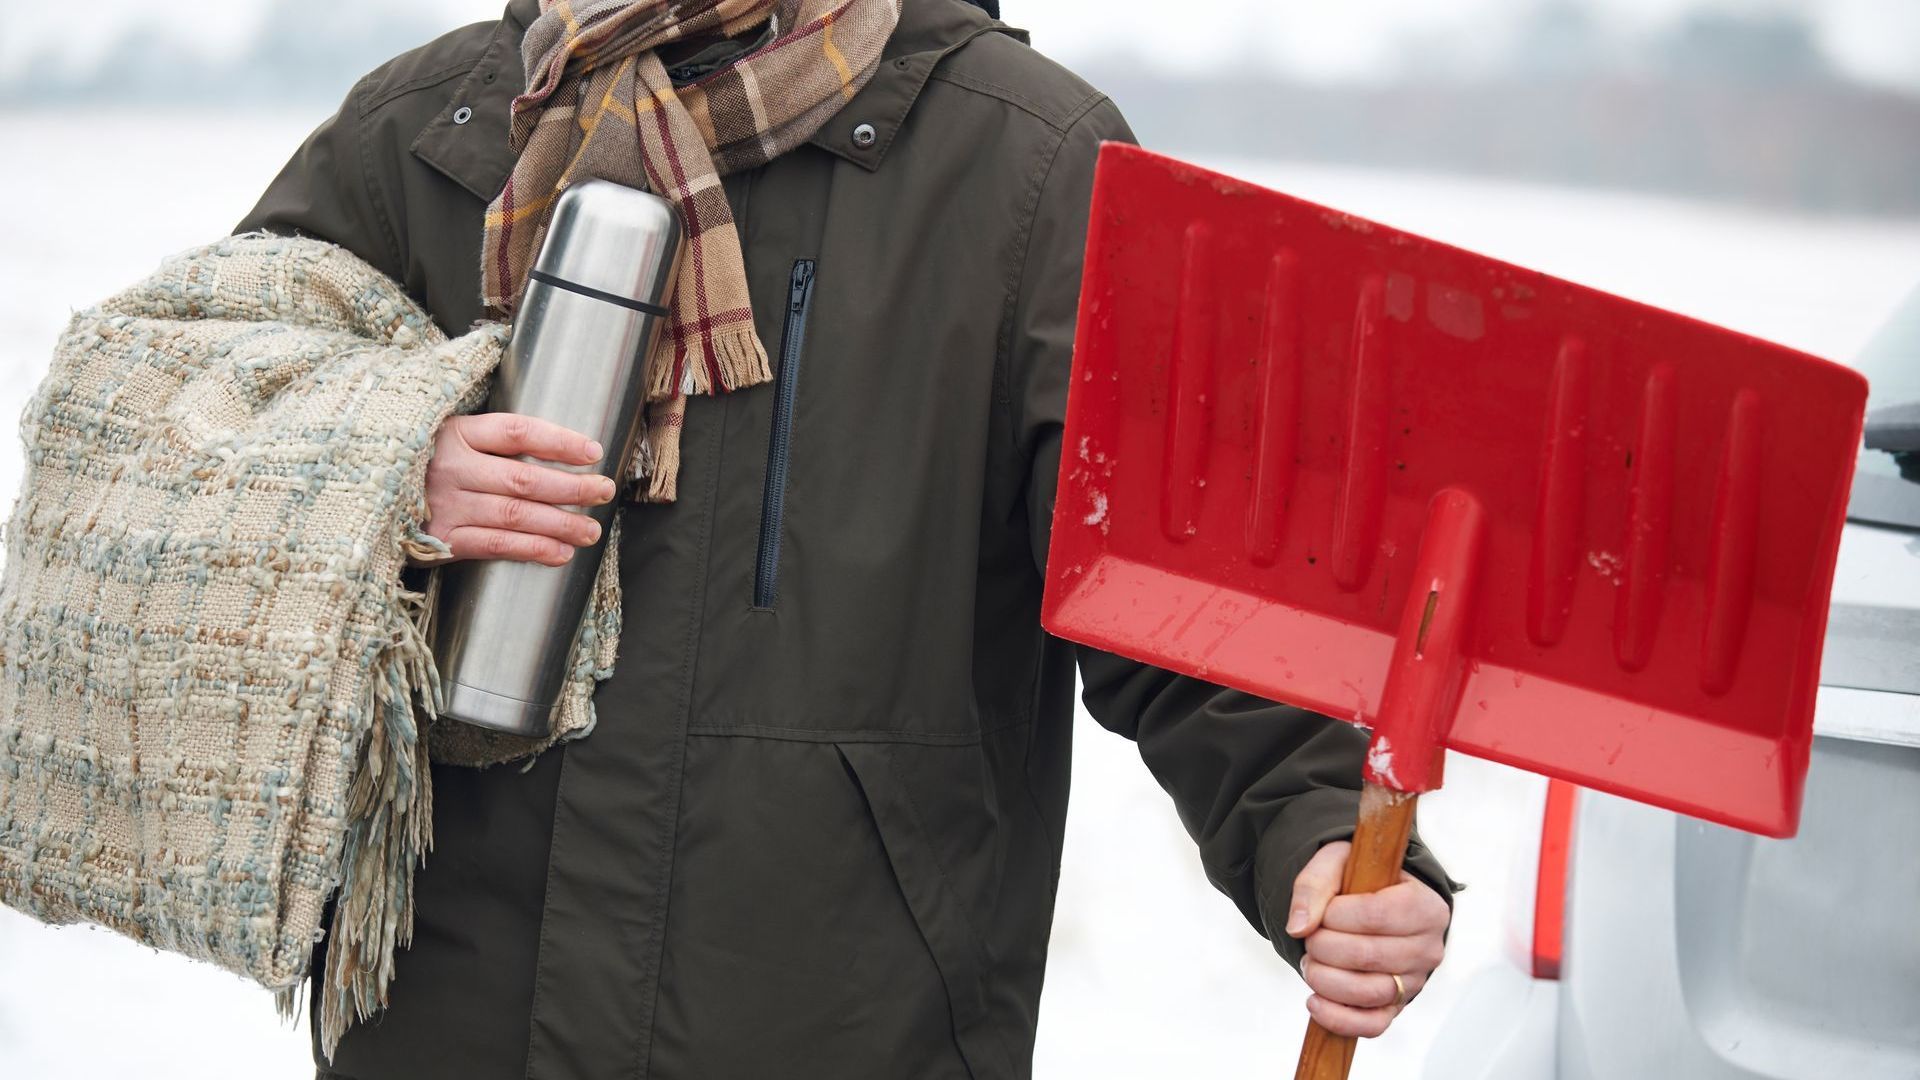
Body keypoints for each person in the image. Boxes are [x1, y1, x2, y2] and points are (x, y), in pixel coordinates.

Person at [239, 1, 1456, 1076]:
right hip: (451, 1021)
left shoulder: (1023, 163)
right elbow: (191, 428)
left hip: (851, 1023)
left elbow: (1166, 588)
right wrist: (383, 467)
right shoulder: (429, 133)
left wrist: (1311, 824)